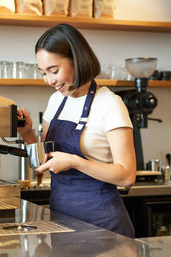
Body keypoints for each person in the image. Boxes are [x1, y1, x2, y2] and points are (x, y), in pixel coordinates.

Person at [17, 23, 136, 238]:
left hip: (103, 226)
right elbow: (43, 163)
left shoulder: (110, 104)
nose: (49, 80)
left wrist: (75, 161)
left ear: (77, 59)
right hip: (61, 221)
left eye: (54, 71)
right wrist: (27, 134)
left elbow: (127, 176)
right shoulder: (56, 101)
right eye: (43, 73)